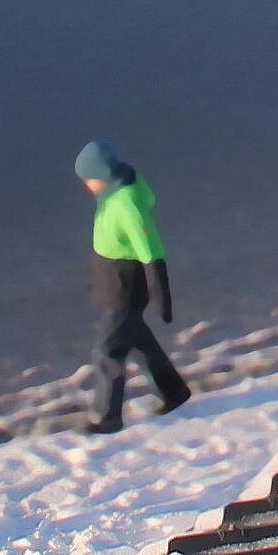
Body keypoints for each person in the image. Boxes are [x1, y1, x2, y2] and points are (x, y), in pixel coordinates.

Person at [77, 139, 190, 432]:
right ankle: (174, 390)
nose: (87, 185)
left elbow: (150, 249)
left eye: (90, 179)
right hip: (112, 279)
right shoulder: (111, 193)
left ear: (104, 175)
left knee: (108, 350)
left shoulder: (127, 203)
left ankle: (106, 417)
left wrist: (160, 292)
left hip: (125, 287)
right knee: (140, 341)